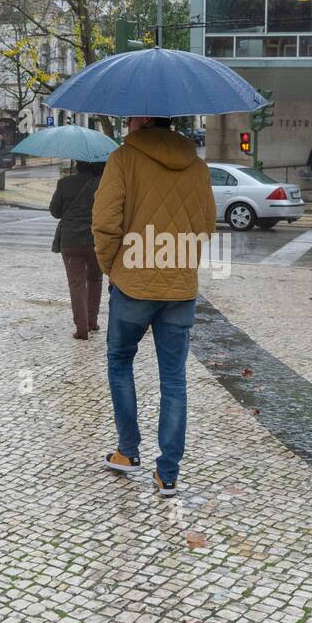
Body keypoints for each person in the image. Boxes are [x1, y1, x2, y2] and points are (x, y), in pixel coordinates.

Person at [92, 116, 216, 497]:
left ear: (142, 120)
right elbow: (208, 224)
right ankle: (168, 474)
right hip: (179, 288)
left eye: (130, 117)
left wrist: (112, 266)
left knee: (119, 362)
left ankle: (128, 451)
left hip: (132, 284)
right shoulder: (197, 166)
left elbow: (105, 222)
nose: (127, 123)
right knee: (174, 379)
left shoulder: (123, 158)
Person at [50, 160, 105, 339]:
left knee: (76, 284)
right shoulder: (102, 183)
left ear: (78, 164)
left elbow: (55, 211)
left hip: (70, 241)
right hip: (95, 240)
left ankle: (81, 328)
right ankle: (92, 321)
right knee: (95, 279)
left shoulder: (65, 183)